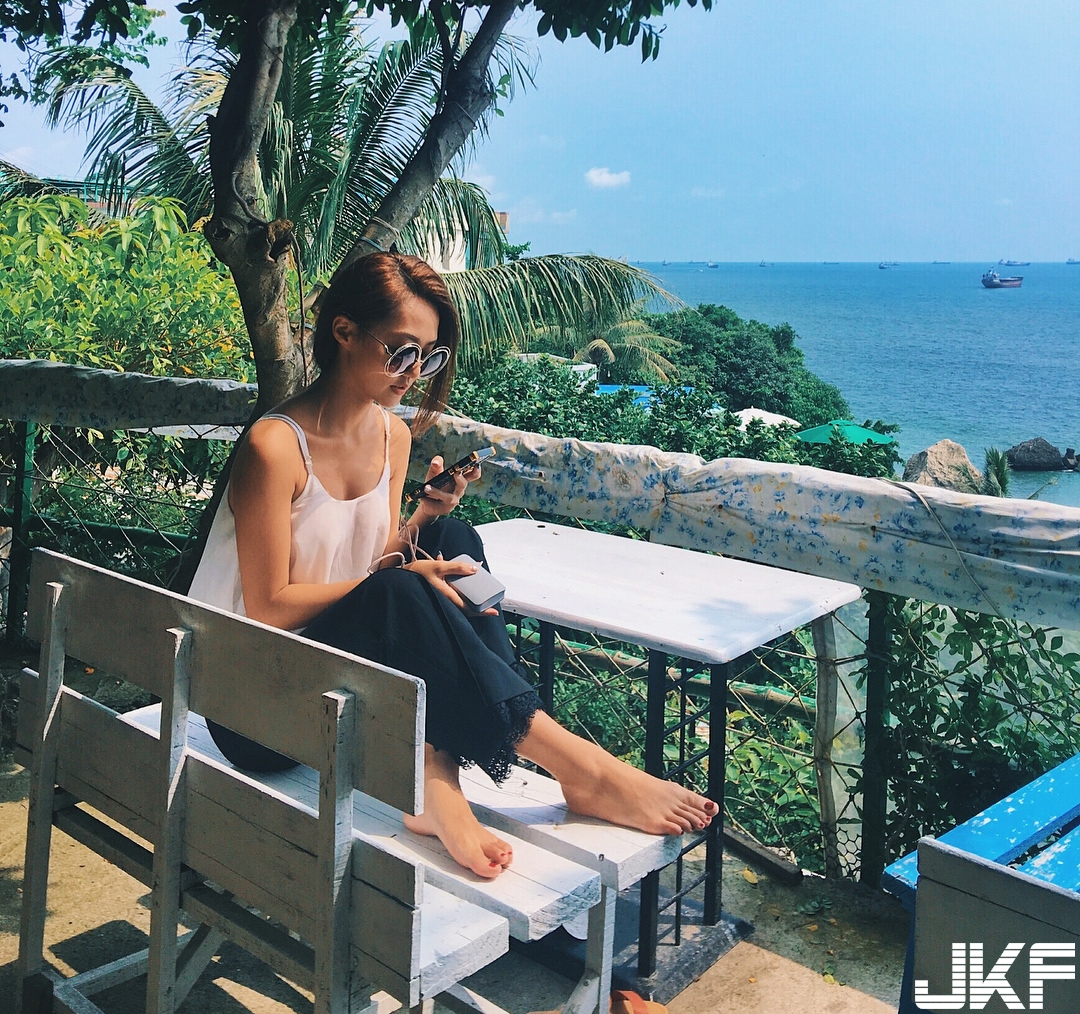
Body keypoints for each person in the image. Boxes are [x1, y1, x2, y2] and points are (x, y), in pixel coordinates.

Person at [189, 251, 717, 879]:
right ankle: (577, 766)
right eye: (402, 351)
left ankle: (437, 779)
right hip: (255, 708)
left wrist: (424, 518)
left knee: (452, 538)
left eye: (430, 356)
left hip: (344, 684)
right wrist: (398, 579)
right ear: (344, 331)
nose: (415, 372)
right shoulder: (274, 446)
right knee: (399, 589)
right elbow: (270, 607)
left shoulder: (392, 436)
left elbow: (373, 562)